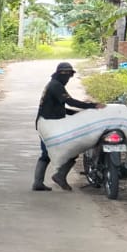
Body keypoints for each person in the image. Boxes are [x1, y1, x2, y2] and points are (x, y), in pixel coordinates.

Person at [33, 61, 104, 191]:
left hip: (48, 123)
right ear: (59, 74)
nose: (67, 77)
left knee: (49, 153)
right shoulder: (56, 86)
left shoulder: (54, 84)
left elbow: (59, 107)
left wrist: (77, 113)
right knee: (69, 151)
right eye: (65, 74)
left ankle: (40, 182)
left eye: (69, 75)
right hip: (49, 125)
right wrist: (92, 106)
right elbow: (69, 101)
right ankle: (58, 176)